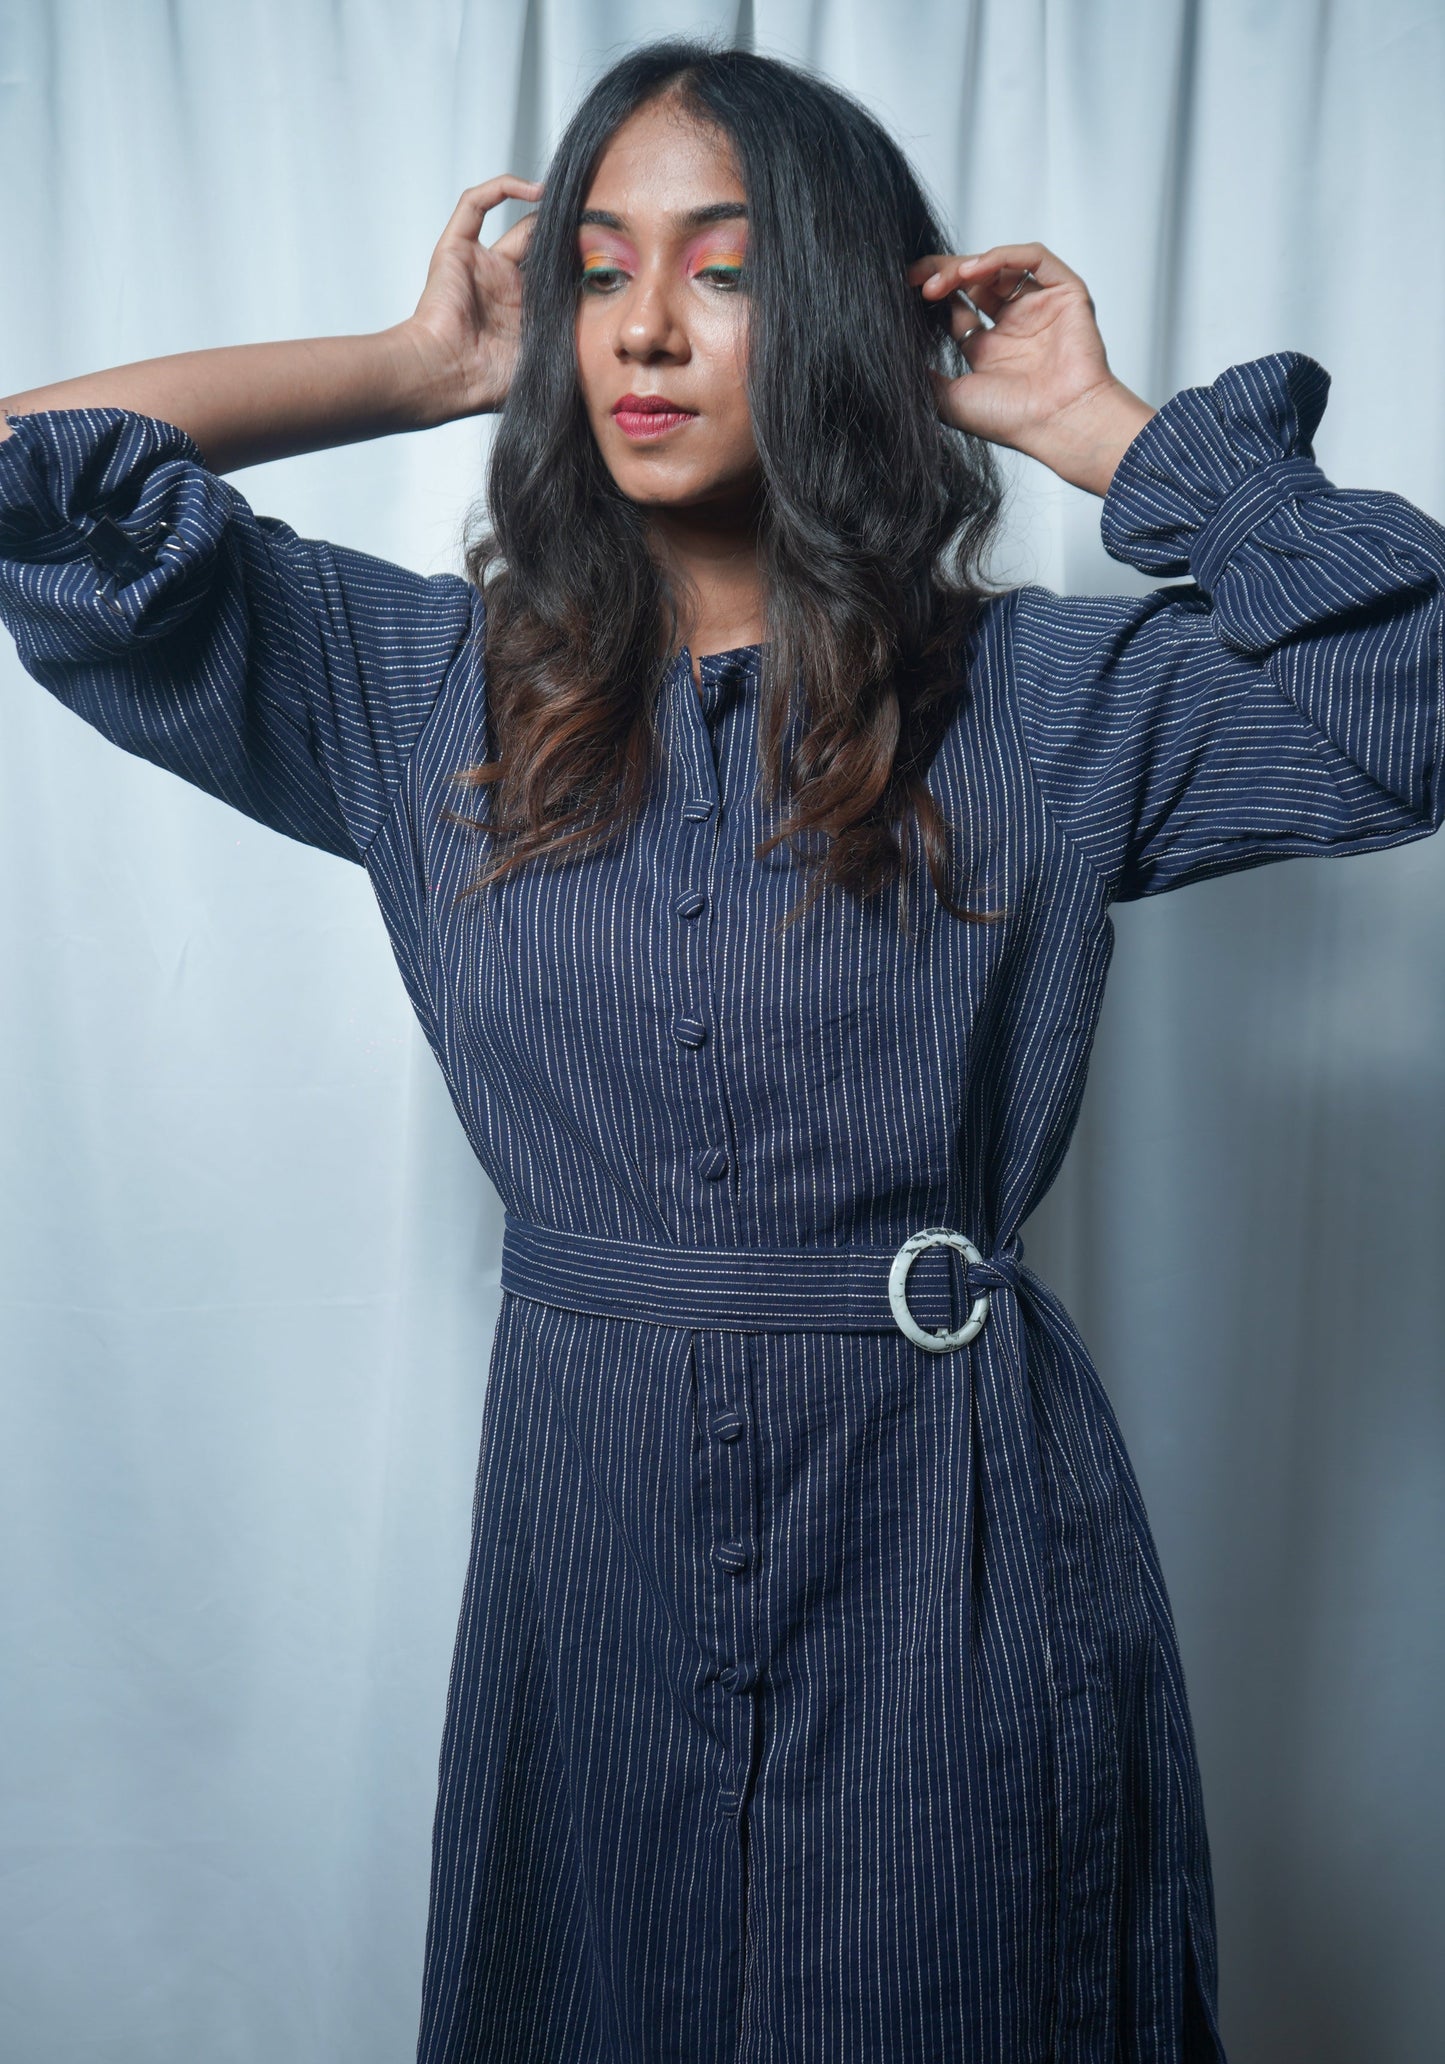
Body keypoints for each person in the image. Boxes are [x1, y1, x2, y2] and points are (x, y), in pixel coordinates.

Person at [1, 34, 1439, 2064]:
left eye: (727, 268)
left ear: (839, 307)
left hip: (949, 1543)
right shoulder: (418, 695)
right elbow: (22, 483)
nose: (644, 328)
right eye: (597, 270)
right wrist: (418, 364)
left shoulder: (1042, 706)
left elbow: (1417, 697)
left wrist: (1102, 424)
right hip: (583, 1555)